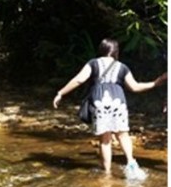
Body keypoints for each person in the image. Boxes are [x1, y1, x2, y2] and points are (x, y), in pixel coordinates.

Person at [53, 39, 166, 179]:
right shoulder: (122, 67)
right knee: (123, 134)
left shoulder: (93, 63)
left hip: (100, 101)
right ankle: (131, 163)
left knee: (105, 139)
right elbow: (135, 87)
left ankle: (107, 174)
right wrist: (155, 83)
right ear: (116, 52)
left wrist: (61, 93)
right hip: (118, 102)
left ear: (101, 49)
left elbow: (79, 79)